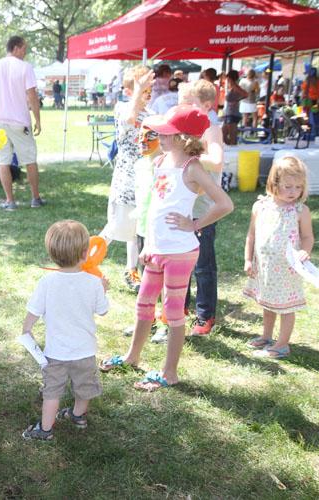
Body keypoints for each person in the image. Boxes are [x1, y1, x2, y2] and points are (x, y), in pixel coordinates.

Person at [100, 106, 233, 391]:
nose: (158, 135)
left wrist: (195, 223)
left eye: (166, 132)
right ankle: (132, 357)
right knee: (143, 305)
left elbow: (225, 204)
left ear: (185, 137)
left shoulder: (193, 168)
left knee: (172, 312)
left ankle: (169, 372)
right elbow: (155, 209)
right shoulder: (160, 161)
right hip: (156, 251)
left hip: (180, 253)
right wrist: (149, 244)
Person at [21, 220, 109, 440]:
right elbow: (103, 311)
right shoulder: (93, 283)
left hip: (56, 352)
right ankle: (78, 416)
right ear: (84, 254)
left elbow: (33, 311)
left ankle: (46, 429)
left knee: (52, 391)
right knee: (84, 386)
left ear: (52, 254)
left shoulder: (47, 282)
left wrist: (27, 329)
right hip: (85, 350)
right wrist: (104, 290)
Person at [243, 157, 314, 359]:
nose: (293, 192)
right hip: (264, 267)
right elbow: (251, 235)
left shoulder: (301, 211)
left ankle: (282, 344)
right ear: (274, 184)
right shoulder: (261, 207)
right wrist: (248, 259)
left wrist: (305, 251)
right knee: (267, 303)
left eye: (298, 187)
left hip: (287, 270)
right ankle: (266, 336)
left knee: (286, 307)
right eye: (288, 186)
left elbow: (308, 237)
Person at [100, 65, 154, 293]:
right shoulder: (122, 107)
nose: (148, 94)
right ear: (130, 91)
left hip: (145, 179)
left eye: (150, 90)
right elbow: (130, 120)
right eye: (144, 90)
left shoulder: (151, 114)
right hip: (126, 179)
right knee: (116, 226)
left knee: (137, 227)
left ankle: (131, 270)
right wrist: (138, 90)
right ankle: (86, 259)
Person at [178, 80, 225, 339]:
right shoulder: (184, 130)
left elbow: (216, 162)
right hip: (183, 208)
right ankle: (179, 308)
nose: (185, 109)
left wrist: (190, 157)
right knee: (179, 260)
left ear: (207, 106)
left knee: (203, 265)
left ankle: (205, 314)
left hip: (204, 211)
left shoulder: (211, 130)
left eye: (191, 104)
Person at [0, 35, 43, 210]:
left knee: (2, 161)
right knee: (30, 159)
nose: (25, 53)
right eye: (24, 49)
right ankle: (35, 198)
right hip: (20, 121)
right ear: (16, 47)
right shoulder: (25, 67)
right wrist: (37, 120)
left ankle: (10, 201)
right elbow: (32, 95)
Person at [222, 70, 247, 145]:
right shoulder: (232, 86)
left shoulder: (234, 86)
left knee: (231, 136)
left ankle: (233, 150)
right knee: (223, 135)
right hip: (229, 113)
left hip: (232, 113)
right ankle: (231, 149)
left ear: (229, 77)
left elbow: (245, 94)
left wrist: (237, 100)